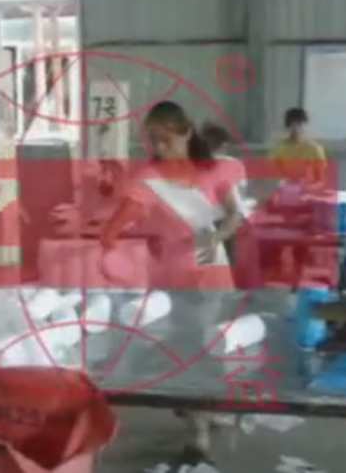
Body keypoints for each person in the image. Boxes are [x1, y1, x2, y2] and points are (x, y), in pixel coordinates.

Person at [101, 101, 240, 465]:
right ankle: (200, 425)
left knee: (205, 342)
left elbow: (233, 215)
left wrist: (216, 237)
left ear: (186, 132)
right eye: (154, 141)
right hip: (173, 270)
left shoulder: (212, 170)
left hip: (208, 260)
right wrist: (117, 246)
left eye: (167, 140)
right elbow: (115, 228)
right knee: (187, 347)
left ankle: (204, 413)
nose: (160, 148)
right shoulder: (149, 179)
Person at [264, 108, 327, 284]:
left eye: (299, 124)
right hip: (283, 203)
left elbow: (322, 180)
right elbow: (269, 176)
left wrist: (308, 189)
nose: (296, 128)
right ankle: (276, 276)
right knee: (277, 240)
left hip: (305, 202)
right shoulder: (279, 149)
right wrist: (278, 189)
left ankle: (298, 277)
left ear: (305, 125)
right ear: (287, 126)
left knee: (301, 244)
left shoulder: (315, 150)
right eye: (292, 124)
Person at [200, 121, 261, 290]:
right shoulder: (233, 164)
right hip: (230, 222)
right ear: (224, 145)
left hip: (206, 224)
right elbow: (241, 194)